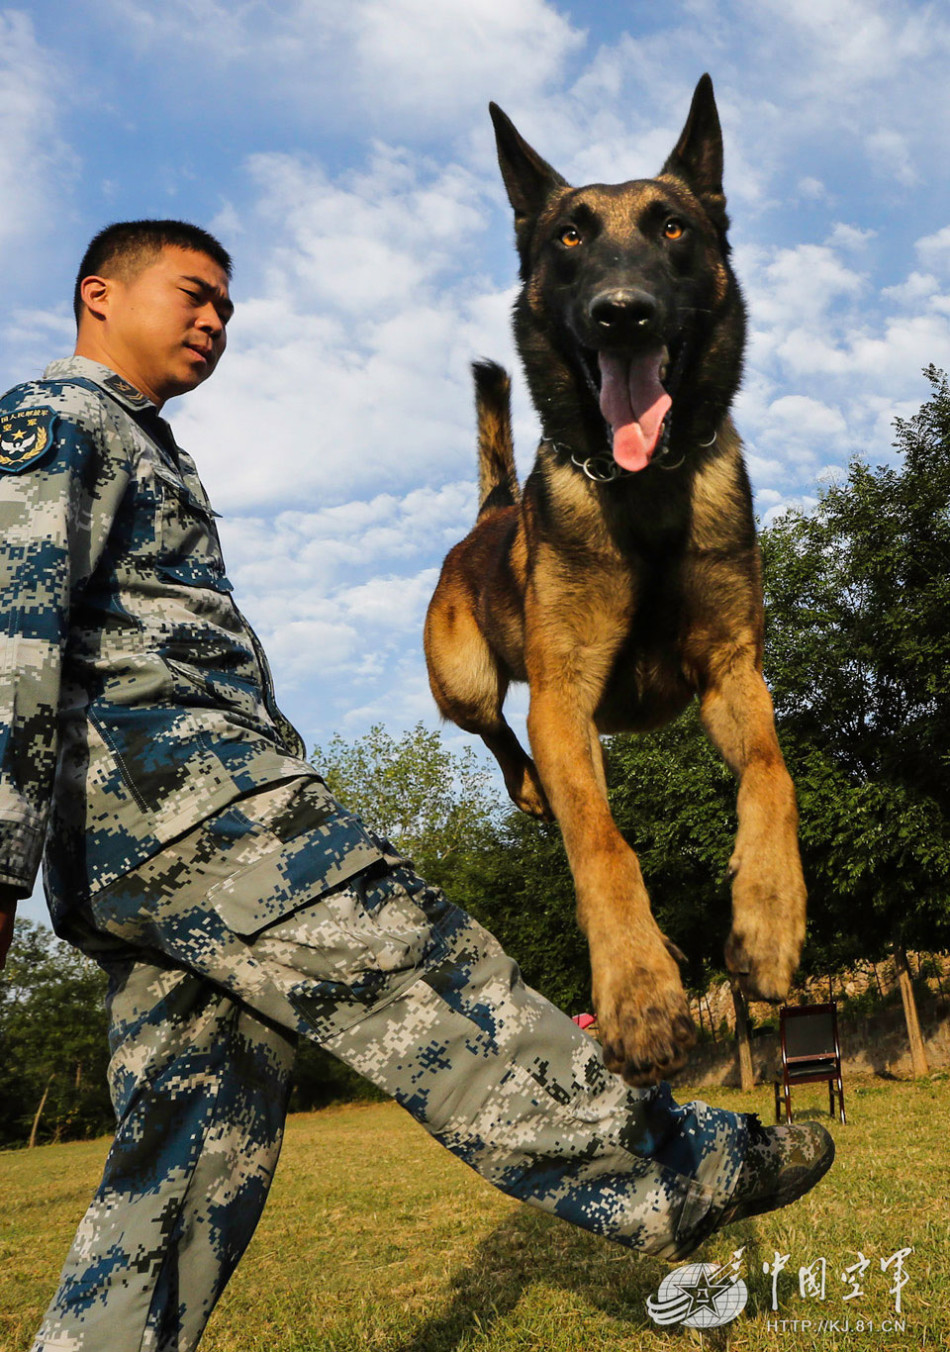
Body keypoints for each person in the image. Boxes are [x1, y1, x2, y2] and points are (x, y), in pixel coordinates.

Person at [0, 219, 834, 1352]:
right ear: (99, 293)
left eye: (229, 309)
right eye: (194, 295)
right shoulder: (56, 425)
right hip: (194, 813)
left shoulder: (139, 444)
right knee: (432, 977)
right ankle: (680, 1167)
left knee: (190, 1149)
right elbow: (11, 645)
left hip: (135, 848)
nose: (215, 322)